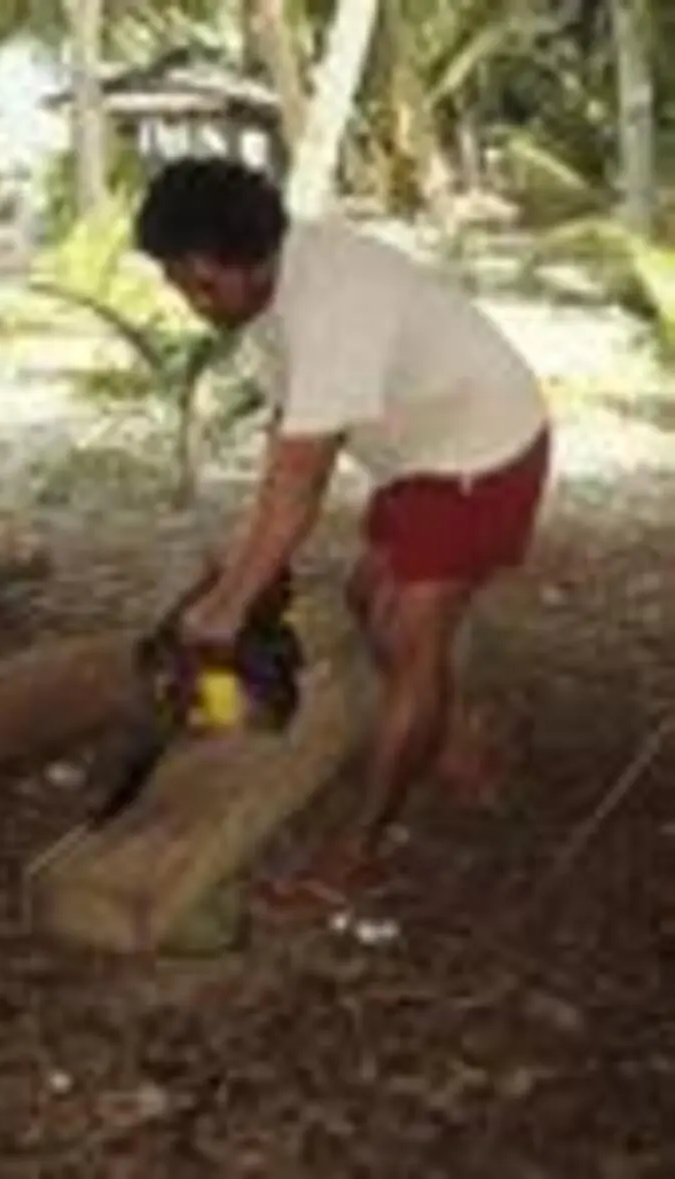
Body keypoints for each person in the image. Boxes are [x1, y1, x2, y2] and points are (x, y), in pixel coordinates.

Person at [134, 156, 551, 904]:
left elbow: (303, 480)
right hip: (418, 451)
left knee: (409, 631)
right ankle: (454, 741)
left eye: (202, 283)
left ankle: (358, 851)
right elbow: (288, 442)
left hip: (482, 450)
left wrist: (231, 605)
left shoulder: (330, 303)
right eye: (178, 283)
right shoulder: (264, 291)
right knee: (369, 604)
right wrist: (240, 570)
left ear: (254, 259)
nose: (193, 301)